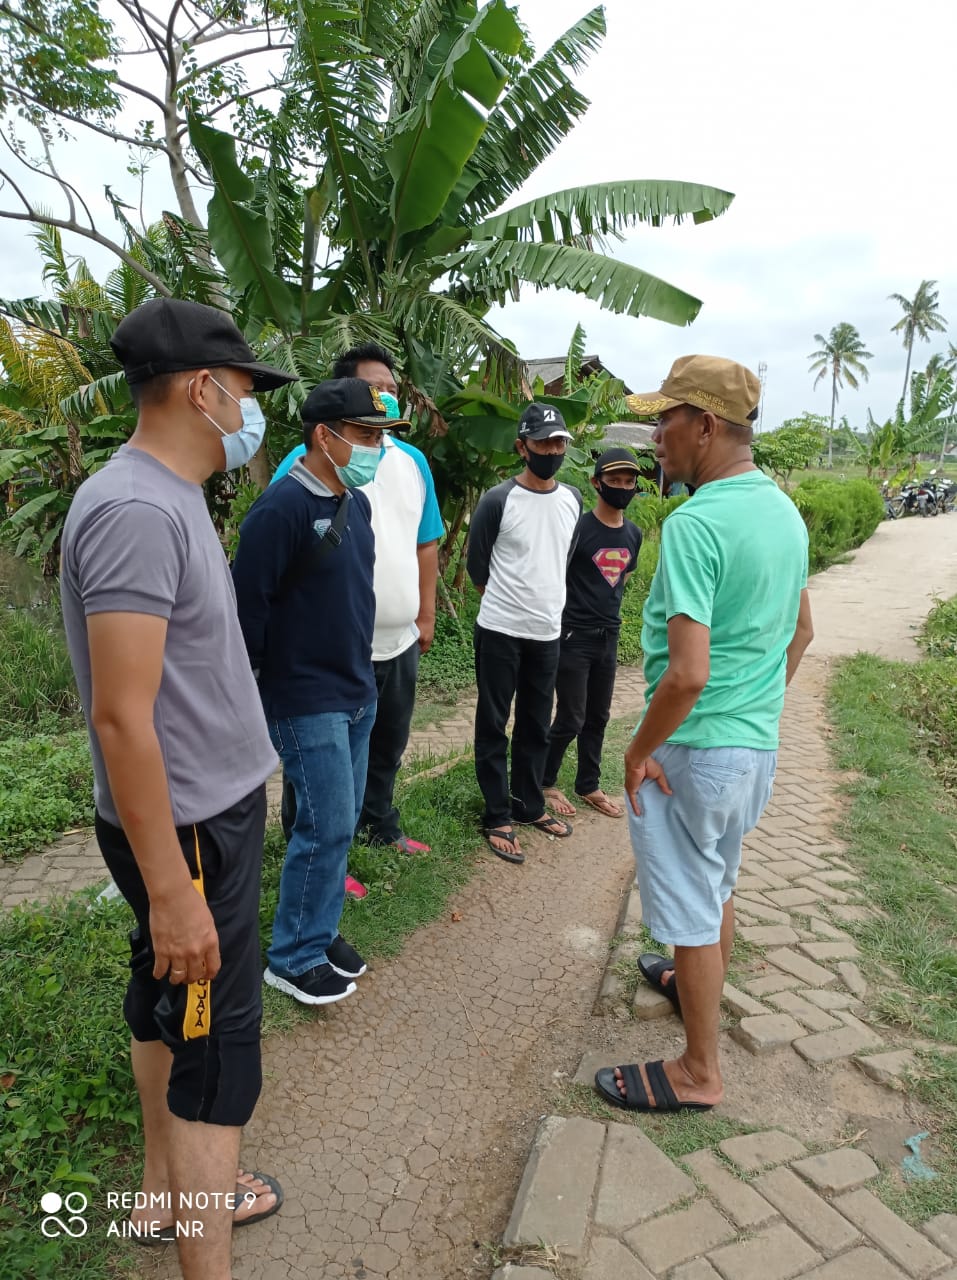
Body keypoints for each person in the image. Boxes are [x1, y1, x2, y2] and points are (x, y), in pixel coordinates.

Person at [59, 298, 295, 1278]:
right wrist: (171, 888)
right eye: (244, 391)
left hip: (199, 819)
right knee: (212, 1050)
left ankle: (165, 1194)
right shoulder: (135, 510)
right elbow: (123, 714)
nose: (249, 412)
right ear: (203, 387)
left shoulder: (171, 494)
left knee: (167, 1003)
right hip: (189, 834)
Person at [593, 355, 813, 1115]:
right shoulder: (782, 512)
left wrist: (636, 750)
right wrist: (752, 710)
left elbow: (685, 674)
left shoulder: (696, 521)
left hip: (695, 745)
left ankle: (697, 1071)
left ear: (706, 426)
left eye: (665, 420)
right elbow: (802, 631)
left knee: (687, 902)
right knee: (714, 878)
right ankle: (695, 978)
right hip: (750, 748)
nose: (657, 437)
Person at [232, 379, 409, 1006]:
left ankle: (320, 929)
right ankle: (292, 957)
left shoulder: (353, 505)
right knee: (325, 824)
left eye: (380, 436)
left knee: (340, 820)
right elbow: (246, 610)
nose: (375, 448)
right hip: (305, 697)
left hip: (356, 687)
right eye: (364, 435)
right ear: (322, 435)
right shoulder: (279, 510)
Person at [272, 342, 443, 857]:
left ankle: (379, 823)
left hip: (399, 638)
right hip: (335, 646)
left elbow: (425, 540)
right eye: (375, 390)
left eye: (392, 390)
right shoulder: (308, 463)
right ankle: (306, 837)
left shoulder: (412, 461)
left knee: (386, 744)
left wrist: (425, 615)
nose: (387, 398)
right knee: (322, 757)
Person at [467, 403, 583, 864]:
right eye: (543, 444)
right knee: (494, 722)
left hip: (547, 631)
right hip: (500, 628)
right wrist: (510, 603)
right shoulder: (498, 500)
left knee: (537, 721)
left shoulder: (573, 499)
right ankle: (497, 814)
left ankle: (529, 804)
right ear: (522, 447)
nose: (552, 451)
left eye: (559, 443)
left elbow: (563, 557)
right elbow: (479, 568)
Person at [543, 448, 643, 820]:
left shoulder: (634, 534)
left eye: (628, 482)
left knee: (598, 716)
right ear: (596, 482)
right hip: (572, 635)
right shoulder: (578, 529)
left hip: (608, 636)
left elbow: (621, 582)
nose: (621, 488)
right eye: (614, 481)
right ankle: (545, 781)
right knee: (571, 716)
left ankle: (589, 784)